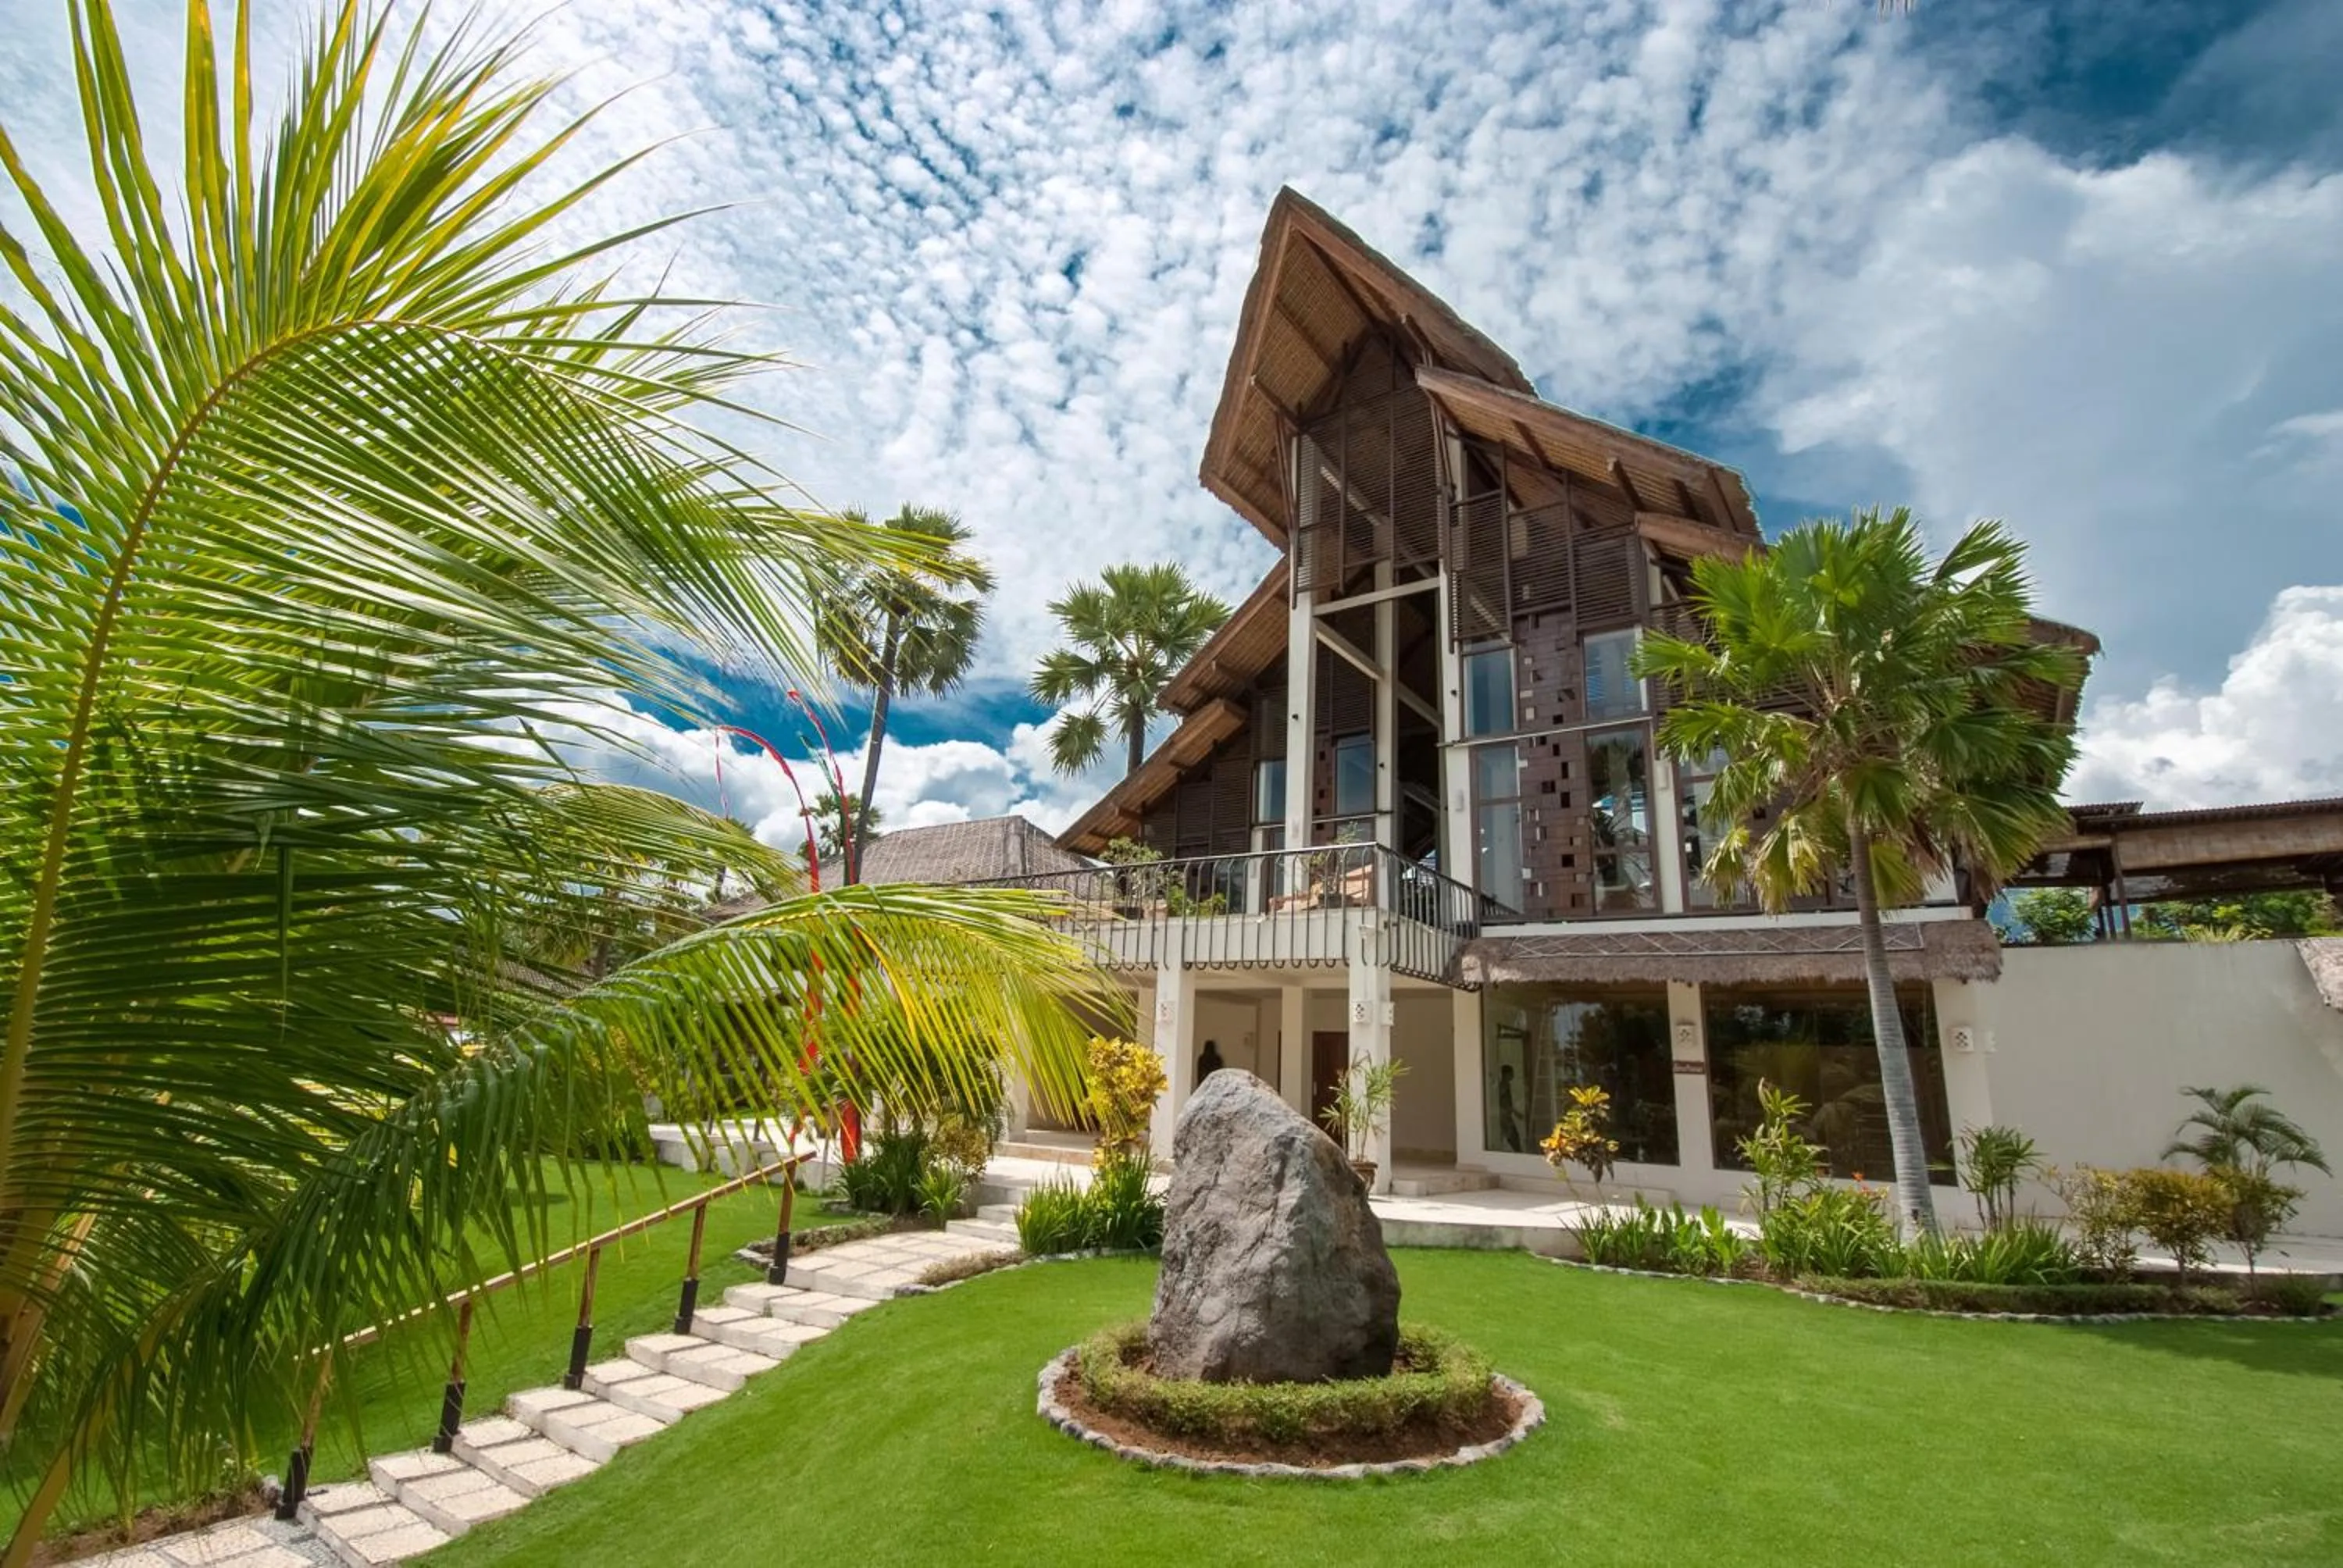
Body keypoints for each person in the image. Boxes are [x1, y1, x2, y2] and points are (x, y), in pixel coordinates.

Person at [1497, 1063, 1524, 1152]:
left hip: (1507, 1115)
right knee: (1513, 1137)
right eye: (1511, 1073)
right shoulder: (1503, 1087)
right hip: (1504, 1116)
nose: (1513, 1075)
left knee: (1513, 1137)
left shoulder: (1507, 1086)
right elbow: (1503, 1103)